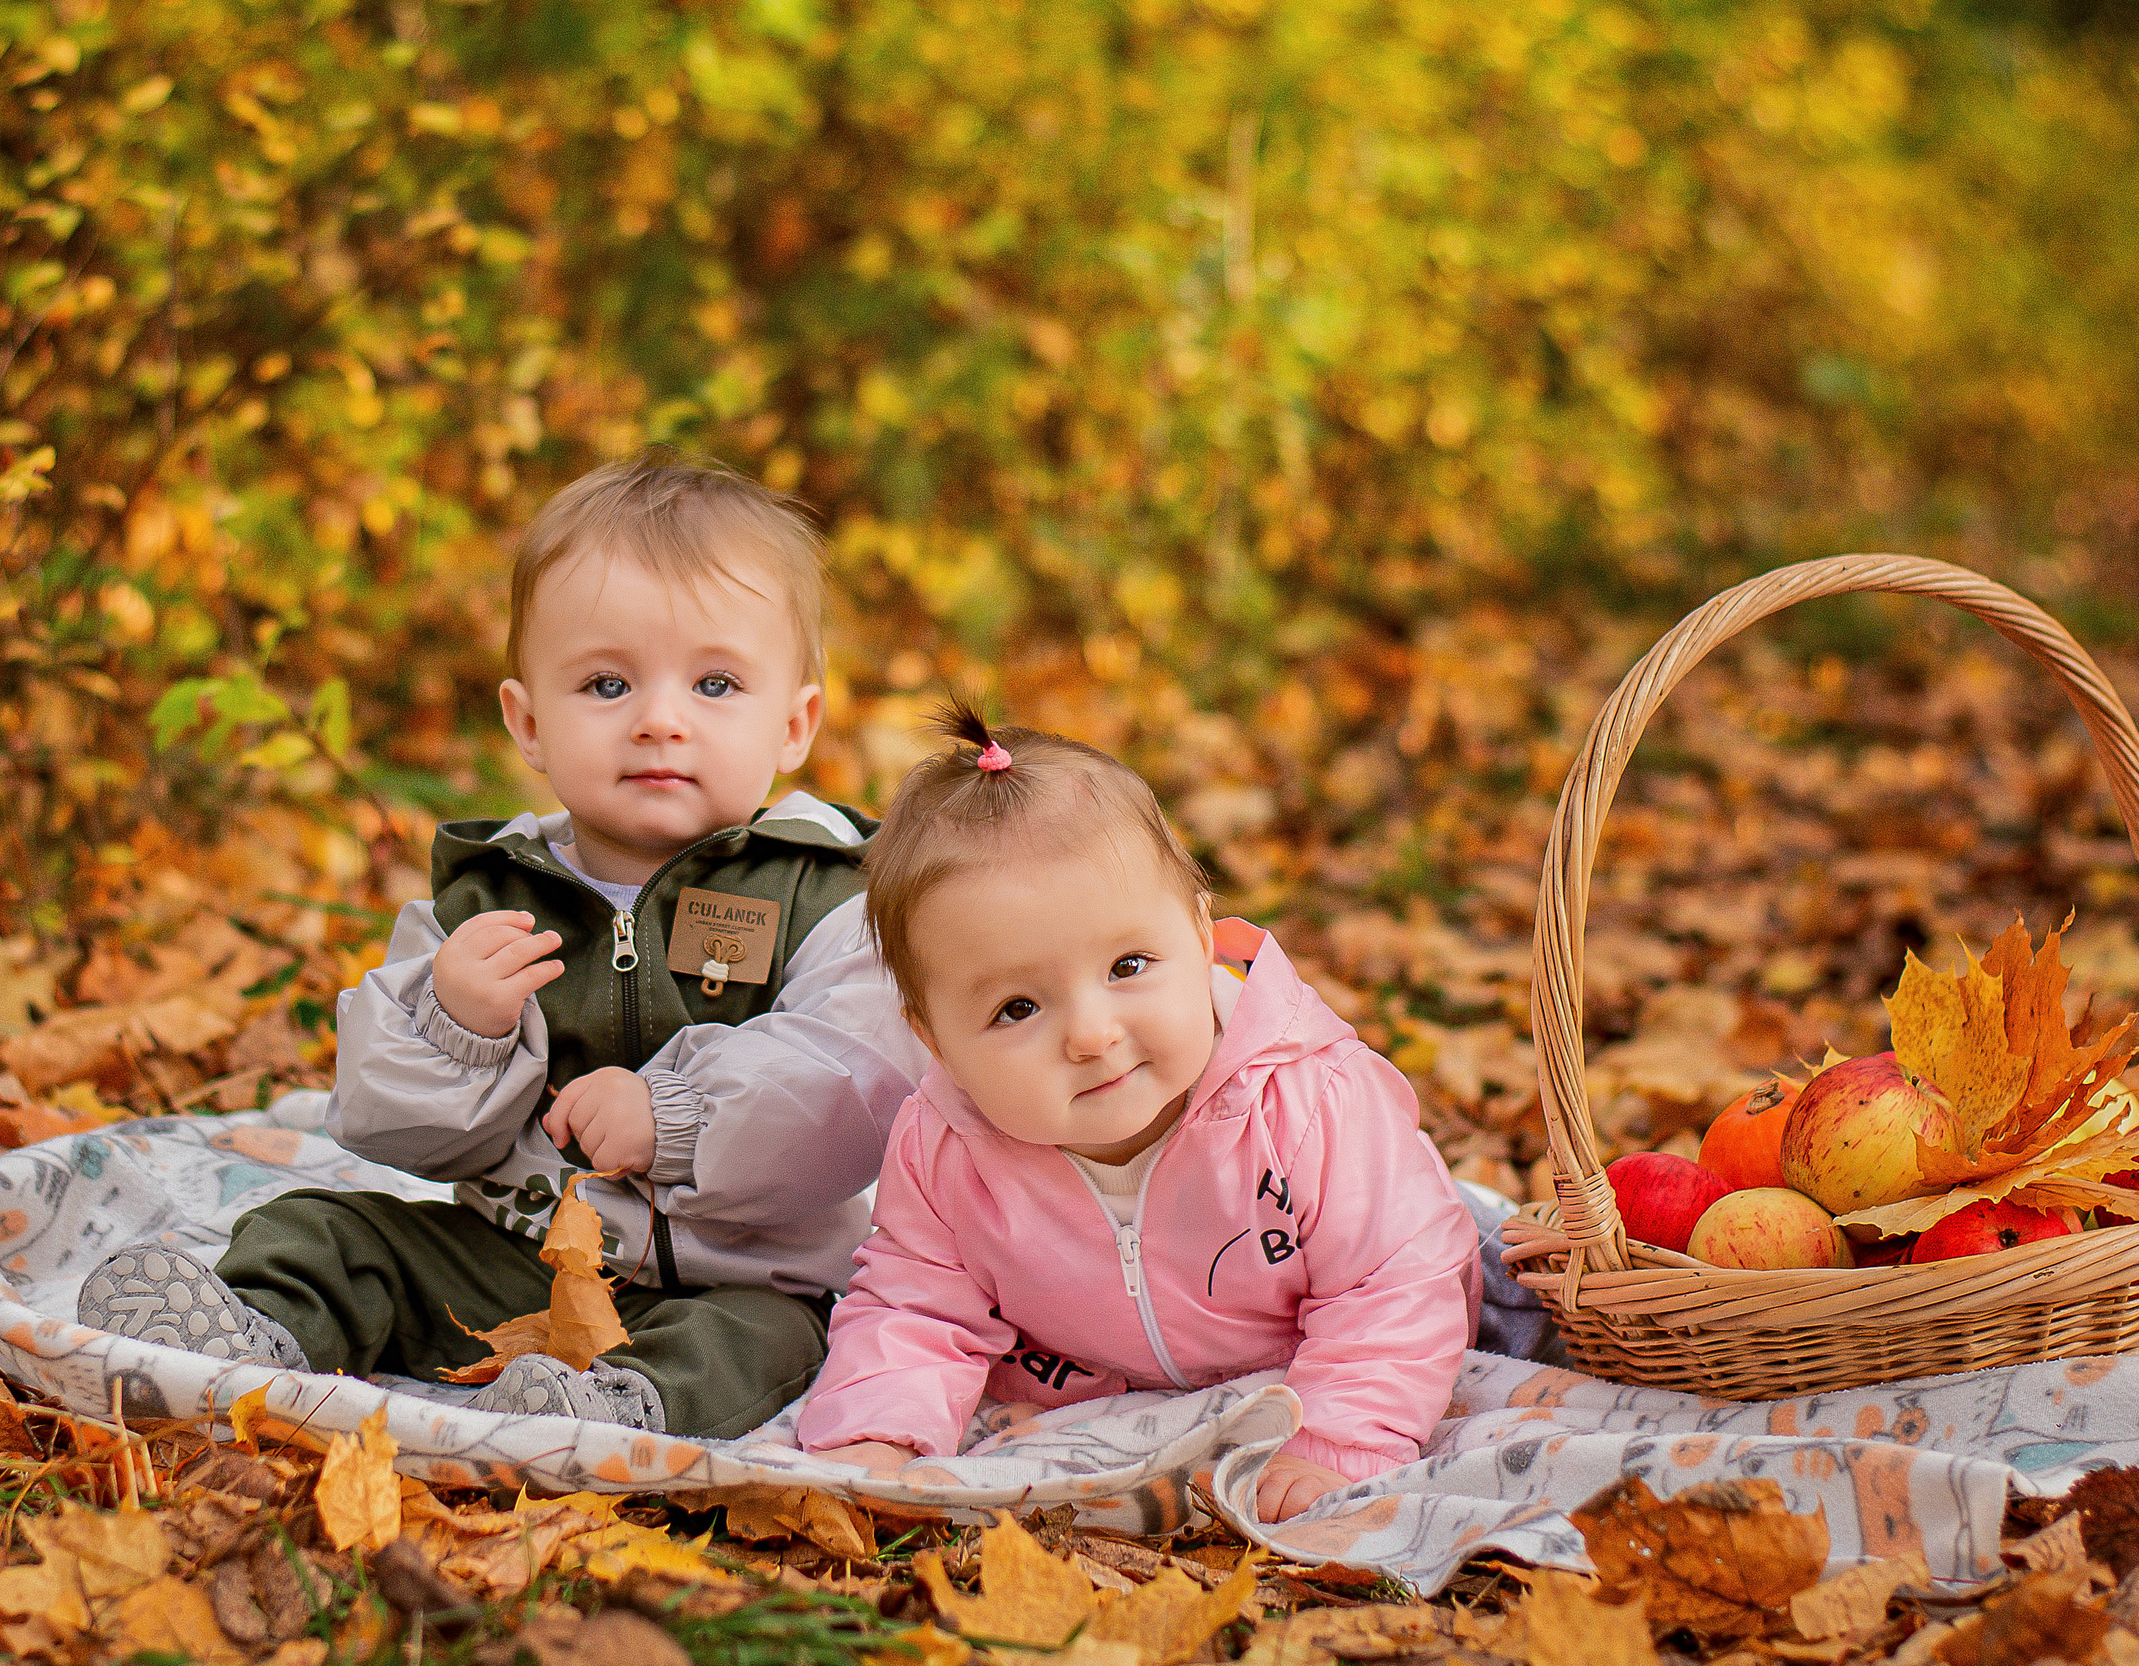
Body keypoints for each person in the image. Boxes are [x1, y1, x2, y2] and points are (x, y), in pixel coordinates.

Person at [80, 452, 926, 1437]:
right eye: (607, 683)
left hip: (741, 1270)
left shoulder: (826, 893)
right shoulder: (493, 892)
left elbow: (857, 1083)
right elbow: (386, 1124)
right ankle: (240, 1331)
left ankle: (617, 1407)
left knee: (773, 1339)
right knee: (329, 1228)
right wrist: (457, 1027)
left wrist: (681, 1116)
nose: (659, 719)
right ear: (528, 722)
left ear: (794, 725)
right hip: (512, 1254)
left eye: (715, 683)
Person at [793, 709, 1484, 1521]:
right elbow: (913, 1305)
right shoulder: (946, 1151)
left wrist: (1339, 1437)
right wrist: (880, 1432)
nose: (1090, 1033)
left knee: (1462, 1246)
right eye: (1018, 1008)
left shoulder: (1307, 1103)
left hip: (1310, 1361)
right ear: (933, 1039)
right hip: (1089, 1378)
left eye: (1128, 965)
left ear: (1200, 938)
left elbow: (1394, 1274)